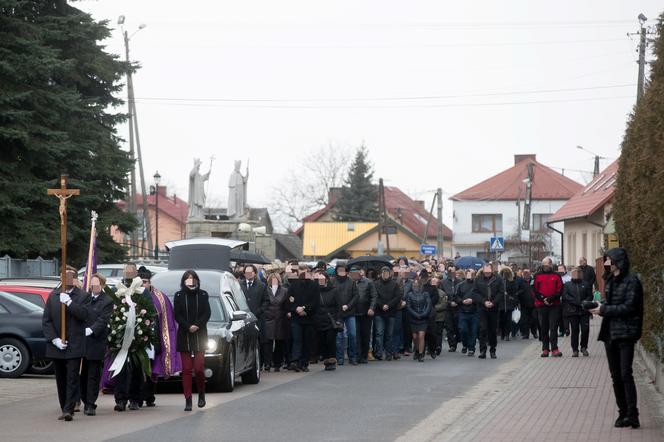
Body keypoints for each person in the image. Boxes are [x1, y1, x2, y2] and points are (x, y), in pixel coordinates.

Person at [589, 248, 643, 429]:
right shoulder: (610, 280)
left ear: (618, 261)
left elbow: (629, 307)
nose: (606, 263)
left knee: (625, 373)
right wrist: (598, 305)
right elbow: (610, 303)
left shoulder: (632, 281)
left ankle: (633, 414)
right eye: (605, 260)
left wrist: (604, 310)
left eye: (609, 260)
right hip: (610, 334)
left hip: (626, 333)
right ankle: (622, 413)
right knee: (615, 376)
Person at [42, 266, 89, 421]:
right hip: (57, 345)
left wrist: (69, 303)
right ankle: (64, 407)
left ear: (74, 279)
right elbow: (46, 320)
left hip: (75, 344)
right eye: (63, 276)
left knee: (72, 377)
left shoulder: (83, 296)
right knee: (61, 379)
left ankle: (69, 408)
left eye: (69, 277)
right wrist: (54, 339)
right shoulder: (53, 295)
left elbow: (84, 315)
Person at [112, 263, 155, 412]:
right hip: (121, 336)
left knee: (137, 368)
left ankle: (135, 399)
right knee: (121, 368)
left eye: (131, 272)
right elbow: (111, 309)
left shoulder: (142, 291)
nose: (128, 274)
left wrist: (143, 328)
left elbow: (151, 311)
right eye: (126, 271)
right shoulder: (117, 289)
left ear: (136, 273)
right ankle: (120, 399)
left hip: (138, 335)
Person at [139, 266, 181, 407]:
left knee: (151, 370)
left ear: (149, 282)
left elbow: (168, 321)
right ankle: (137, 397)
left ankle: (149, 396)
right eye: (140, 282)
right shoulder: (133, 295)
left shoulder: (161, 298)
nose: (142, 285)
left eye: (145, 282)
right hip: (137, 340)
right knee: (139, 370)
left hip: (154, 340)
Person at [173, 270, 211, 411]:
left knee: (199, 368)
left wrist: (197, 325)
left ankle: (201, 393)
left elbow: (207, 313)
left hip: (200, 335)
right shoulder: (179, 295)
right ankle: (188, 399)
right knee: (187, 370)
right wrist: (188, 326)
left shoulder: (203, 294)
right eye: (187, 278)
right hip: (185, 335)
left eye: (192, 278)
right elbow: (177, 314)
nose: (190, 281)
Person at [80, 273, 113, 416]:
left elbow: (103, 319)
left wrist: (91, 330)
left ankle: (90, 403)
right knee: (83, 374)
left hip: (96, 341)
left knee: (93, 375)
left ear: (102, 285)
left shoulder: (107, 301)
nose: (94, 287)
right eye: (92, 285)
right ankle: (83, 399)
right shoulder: (85, 299)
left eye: (97, 285)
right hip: (82, 342)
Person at [287, 265, 319, 372]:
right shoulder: (293, 285)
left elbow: (315, 301)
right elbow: (290, 300)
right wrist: (296, 308)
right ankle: (295, 361)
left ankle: (304, 363)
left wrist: (305, 308)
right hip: (296, 318)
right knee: (297, 340)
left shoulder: (314, 286)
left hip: (308, 317)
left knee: (307, 341)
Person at [533, 258, 564, 357]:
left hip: (554, 305)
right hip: (541, 305)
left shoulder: (557, 275)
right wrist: (543, 299)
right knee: (543, 328)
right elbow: (534, 290)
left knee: (553, 327)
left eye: (547, 265)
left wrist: (551, 299)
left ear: (551, 265)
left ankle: (555, 348)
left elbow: (560, 289)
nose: (545, 267)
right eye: (543, 265)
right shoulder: (537, 275)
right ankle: (545, 349)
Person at [473, 264, 504, 359]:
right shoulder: (478, 279)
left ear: (491, 271)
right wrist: (484, 301)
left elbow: (501, 292)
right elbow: (475, 292)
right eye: (485, 272)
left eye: (488, 272)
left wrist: (493, 303)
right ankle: (482, 350)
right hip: (482, 308)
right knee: (482, 329)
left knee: (492, 330)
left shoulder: (498, 279)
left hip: (494, 308)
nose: (487, 274)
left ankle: (493, 350)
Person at [241, 264, 268, 368]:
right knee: (245, 342)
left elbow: (266, 301)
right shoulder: (239, 285)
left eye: (250, 272)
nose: (248, 274)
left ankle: (259, 364)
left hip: (257, 318)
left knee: (259, 342)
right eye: (246, 272)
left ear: (255, 273)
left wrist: (259, 311)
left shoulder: (261, 285)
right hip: (243, 319)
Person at [562, 267, 593, 357]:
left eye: (578, 273)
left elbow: (590, 296)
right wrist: (576, 302)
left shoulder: (586, 284)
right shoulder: (567, 285)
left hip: (584, 311)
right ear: (572, 274)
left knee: (585, 330)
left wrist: (583, 302)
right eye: (574, 273)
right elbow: (565, 296)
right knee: (575, 331)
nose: (576, 274)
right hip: (573, 311)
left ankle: (583, 347)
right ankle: (575, 350)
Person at [373, 266, 402, 361]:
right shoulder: (376, 283)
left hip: (391, 312)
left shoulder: (394, 284)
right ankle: (379, 352)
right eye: (383, 272)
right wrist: (382, 305)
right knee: (379, 333)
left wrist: (388, 305)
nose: (385, 274)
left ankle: (389, 353)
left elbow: (397, 297)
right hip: (379, 311)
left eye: (387, 272)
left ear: (390, 274)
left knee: (389, 334)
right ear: (381, 273)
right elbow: (374, 296)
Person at [263, 273, 289, 372]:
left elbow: (286, 305)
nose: (274, 281)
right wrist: (266, 314)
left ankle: (277, 363)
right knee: (268, 343)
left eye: (276, 279)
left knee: (279, 343)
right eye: (272, 279)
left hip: (280, 320)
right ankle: (267, 363)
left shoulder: (284, 291)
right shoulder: (265, 290)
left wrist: (285, 314)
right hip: (268, 319)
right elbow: (264, 303)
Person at [351, 266, 377, 364]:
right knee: (355, 335)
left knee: (365, 335)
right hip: (353, 312)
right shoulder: (351, 282)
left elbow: (374, 296)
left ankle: (364, 355)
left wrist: (371, 308)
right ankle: (357, 355)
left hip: (366, 313)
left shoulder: (368, 282)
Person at [334, 263, 359, 366]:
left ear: (346, 271)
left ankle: (352, 357)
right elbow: (331, 295)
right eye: (339, 269)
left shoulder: (351, 282)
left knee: (352, 335)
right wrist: (339, 306)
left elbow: (356, 296)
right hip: (338, 313)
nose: (341, 271)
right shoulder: (333, 281)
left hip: (350, 312)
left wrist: (348, 306)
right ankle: (339, 358)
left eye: (343, 269)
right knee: (339, 337)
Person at [315, 273, 340, 371]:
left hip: (330, 319)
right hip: (319, 320)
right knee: (322, 341)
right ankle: (326, 361)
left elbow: (338, 306)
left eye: (322, 279)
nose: (320, 281)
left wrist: (338, 319)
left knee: (331, 340)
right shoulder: (315, 291)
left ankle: (332, 361)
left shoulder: (334, 290)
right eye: (319, 279)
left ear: (326, 280)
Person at [405, 272, 432, 362]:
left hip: (423, 318)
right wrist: (415, 314)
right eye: (414, 284)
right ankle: (417, 350)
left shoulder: (425, 294)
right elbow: (408, 306)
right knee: (415, 337)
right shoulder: (409, 295)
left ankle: (421, 354)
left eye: (417, 284)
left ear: (420, 285)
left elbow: (428, 305)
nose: (415, 285)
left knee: (421, 335)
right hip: (413, 318)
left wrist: (423, 314)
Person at [456, 269, 479, 356]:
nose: (469, 275)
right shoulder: (460, 285)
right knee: (463, 330)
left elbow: (480, 297)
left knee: (473, 331)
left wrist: (472, 300)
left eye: (471, 273)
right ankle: (465, 344)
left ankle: (471, 348)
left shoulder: (477, 285)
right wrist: (462, 301)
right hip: (463, 311)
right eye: (468, 273)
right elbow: (456, 297)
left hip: (474, 312)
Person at [441, 267, 461, 352]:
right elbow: (442, 296)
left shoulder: (460, 282)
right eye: (450, 271)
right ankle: (452, 345)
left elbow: (461, 294)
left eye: (453, 271)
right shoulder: (443, 282)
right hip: (448, 308)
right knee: (449, 327)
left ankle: (456, 341)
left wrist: (457, 302)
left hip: (458, 307)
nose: (452, 273)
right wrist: (449, 302)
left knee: (458, 327)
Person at [498, 267, 519, 342]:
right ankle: (503, 333)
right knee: (501, 319)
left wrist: (510, 297)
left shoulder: (512, 282)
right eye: (503, 273)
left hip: (509, 303)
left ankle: (507, 334)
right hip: (501, 303)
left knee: (508, 319)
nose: (505, 274)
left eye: (506, 273)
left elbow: (514, 292)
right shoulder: (499, 281)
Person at [517, 269, 538, 340]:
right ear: (523, 274)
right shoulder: (520, 281)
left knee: (534, 319)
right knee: (524, 320)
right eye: (525, 273)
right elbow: (516, 292)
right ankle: (526, 334)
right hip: (524, 304)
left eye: (527, 273)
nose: (526, 275)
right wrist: (520, 292)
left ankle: (534, 332)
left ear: (530, 274)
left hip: (533, 304)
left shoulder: (533, 281)